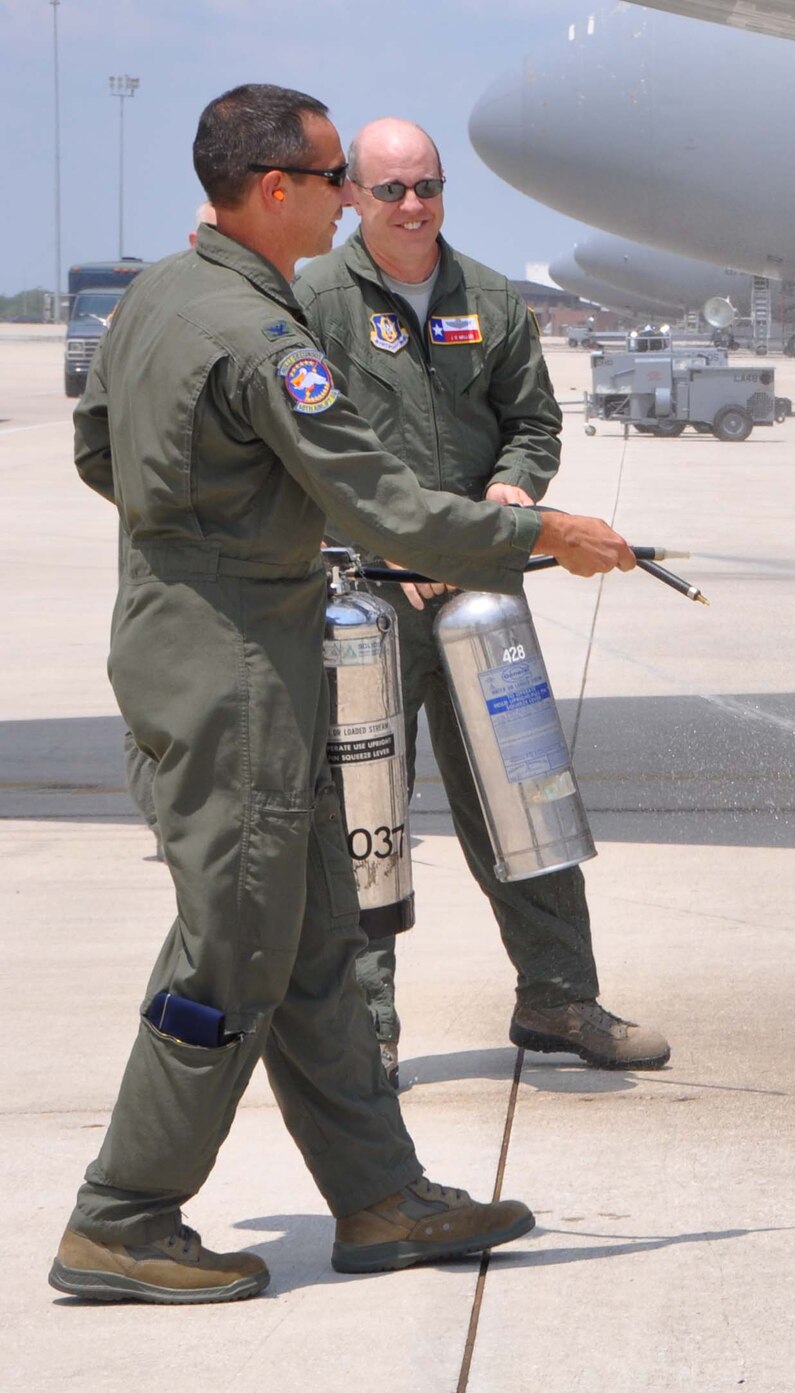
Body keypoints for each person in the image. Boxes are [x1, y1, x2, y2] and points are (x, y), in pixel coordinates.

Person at [53, 84, 636, 1305]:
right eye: (333, 182)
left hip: (203, 636)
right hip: (238, 675)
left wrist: (212, 529)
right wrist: (544, 534)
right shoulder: (261, 335)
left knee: (315, 939)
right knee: (233, 949)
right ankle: (123, 1213)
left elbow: (100, 448)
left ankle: (379, 1195)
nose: (349, 206)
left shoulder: (166, 294)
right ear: (277, 189)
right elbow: (380, 502)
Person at [295, 118, 669, 1083]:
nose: (413, 206)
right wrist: (392, 542)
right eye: (391, 190)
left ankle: (558, 997)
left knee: (527, 795)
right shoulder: (310, 303)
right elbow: (307, 451)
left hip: (482, 599)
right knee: (363, 819)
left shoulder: (491, 300)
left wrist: (512, 489)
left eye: (428, 186)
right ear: (350, 195)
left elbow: (533, 423)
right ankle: (365, 1027)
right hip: (364, 605)